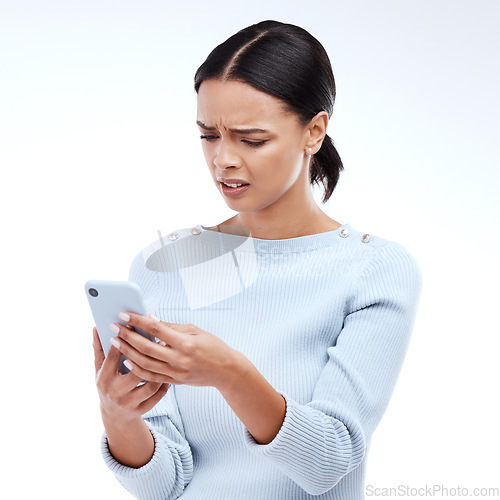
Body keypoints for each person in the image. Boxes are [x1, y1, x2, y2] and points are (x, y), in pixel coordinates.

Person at [92, 20, 423, 499]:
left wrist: (230, 373)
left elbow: (327, 462)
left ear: (314, 131)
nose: (223, 159)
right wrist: (119, 416)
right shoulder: (164, 265)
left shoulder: (374, 272)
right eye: (208, 135)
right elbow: (164, 486)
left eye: (251, 139)